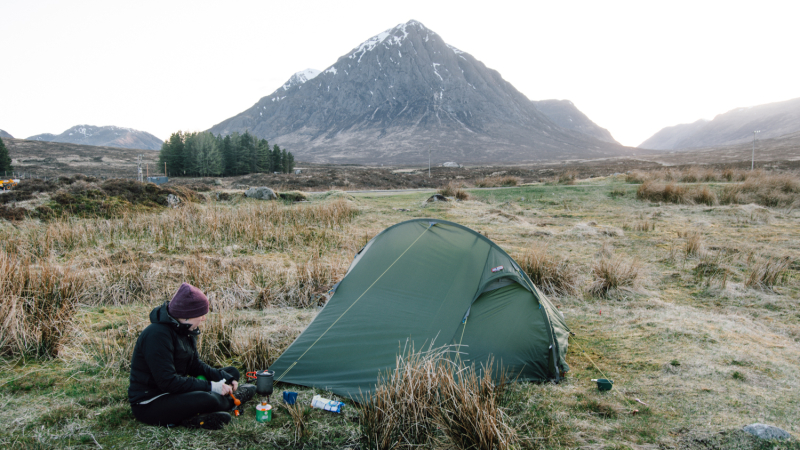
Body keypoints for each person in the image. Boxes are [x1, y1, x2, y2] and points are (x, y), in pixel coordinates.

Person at [128, 282, 256, 429]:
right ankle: (233, 399)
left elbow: (194, 365)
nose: (203, 319)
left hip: (173, 391)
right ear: (187, 315)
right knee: (208, 398)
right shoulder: (157, 335)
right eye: (200, 315)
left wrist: (227, 378)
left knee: (231, 372)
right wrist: (212, 386)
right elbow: (168, 382)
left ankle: (196, 416)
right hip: (151, 402)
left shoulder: (184, 329)